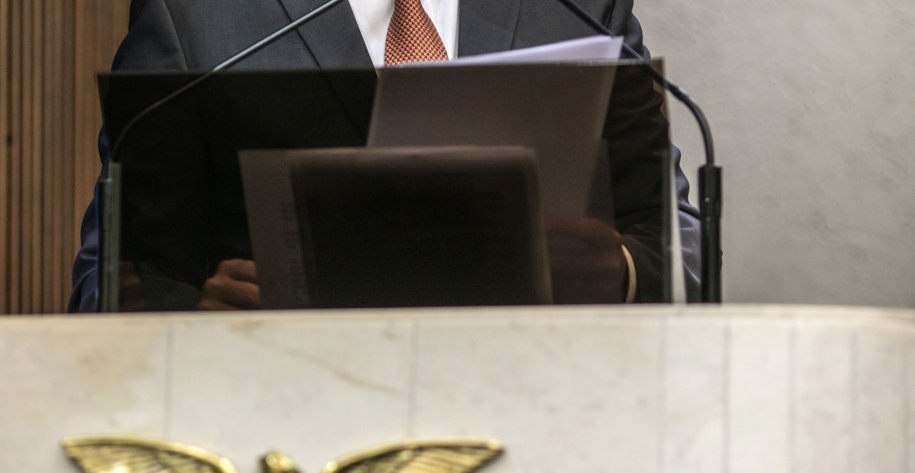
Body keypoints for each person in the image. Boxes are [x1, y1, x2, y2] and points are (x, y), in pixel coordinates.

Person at [69, 0, 701, 312]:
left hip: (545, 424)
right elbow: (107, 284)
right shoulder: (197, 16)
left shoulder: (577, 7)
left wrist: (618, 271)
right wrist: (204, 320)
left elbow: (685, 249)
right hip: (288, 426)